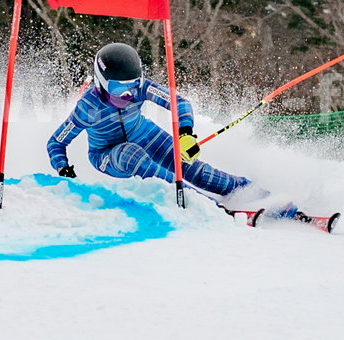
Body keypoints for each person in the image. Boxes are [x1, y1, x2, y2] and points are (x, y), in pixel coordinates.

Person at [47, 41, 286, 215]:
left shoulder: (142, 88)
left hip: (145, 134)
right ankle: (206, 207)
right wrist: (64, 170)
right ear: (101, 83)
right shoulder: (88, 107)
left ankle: (265, 197)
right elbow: (57, 142)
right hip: (107, 154)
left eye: (133, 85)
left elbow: (179, 102)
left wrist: (185, 134)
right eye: (119, 88)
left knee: (193, 169)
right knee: (134, 155)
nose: (129, 94)